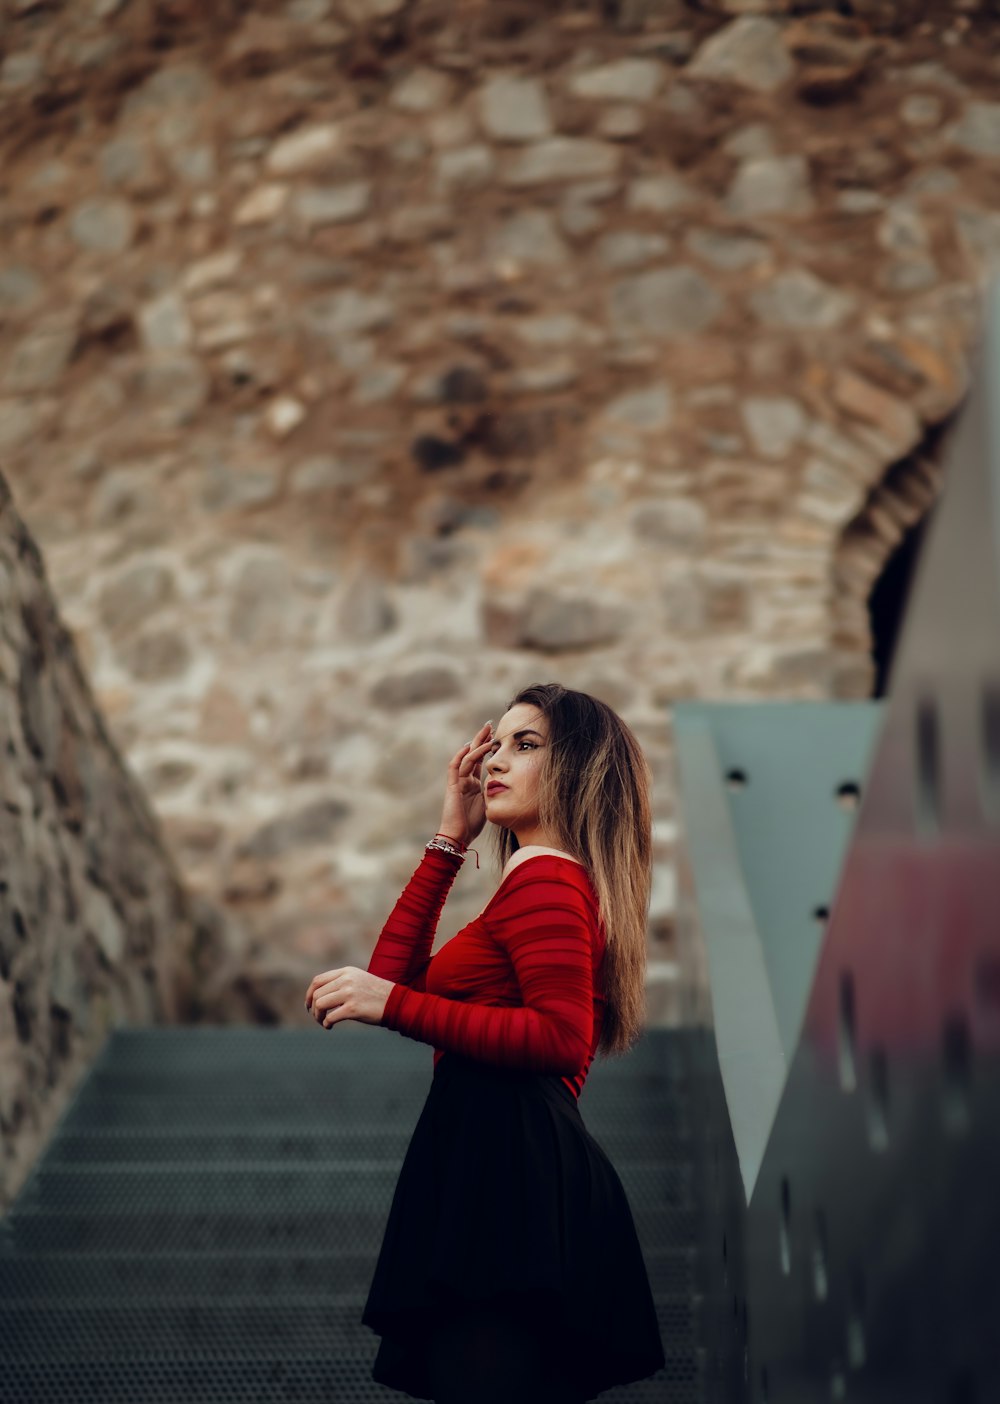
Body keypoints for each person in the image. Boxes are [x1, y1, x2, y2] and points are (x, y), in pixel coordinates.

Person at [304, 682, 666, 1403]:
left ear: (580, 769)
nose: (495, 761)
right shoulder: (535, 879)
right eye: (495, 744)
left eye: (526, 745)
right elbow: (394, 980)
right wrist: (450, 839)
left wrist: (396, 1005)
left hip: (509, 1163)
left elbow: (562, 1039)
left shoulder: (546, 877)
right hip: (500, 1158)